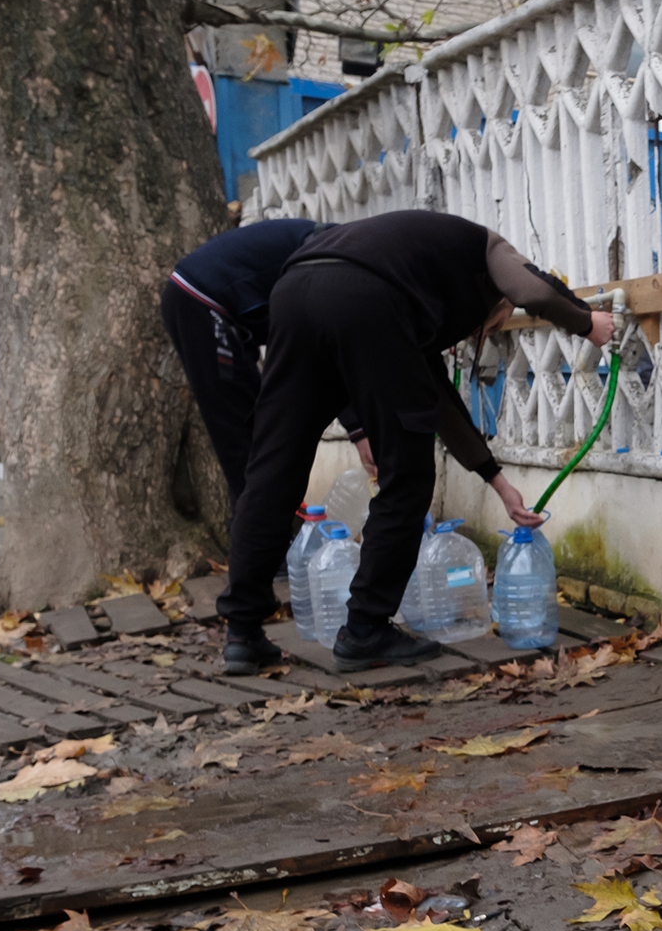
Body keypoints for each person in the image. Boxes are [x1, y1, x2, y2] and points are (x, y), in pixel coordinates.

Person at [215, 210, 614, 674]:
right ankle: (364, 629)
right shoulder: (488, 247)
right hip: (363, 299)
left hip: (291, 294)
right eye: (496, 320)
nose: (475, 333)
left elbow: (436, 400)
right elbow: (536, 290)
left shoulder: (414, 269)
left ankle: (242, 633)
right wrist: (588, 324)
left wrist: (498, 482)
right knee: (407, 476)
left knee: (273, 469)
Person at [163, 219, 378, 511]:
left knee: (260, 436)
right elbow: (325, 343)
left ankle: (267, 536)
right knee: (242, 446)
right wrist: (360, 430)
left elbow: (330, 348)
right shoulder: (335, 257)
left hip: (231, 313)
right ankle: (258, 549)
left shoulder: (351, 264)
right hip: (201, 300)